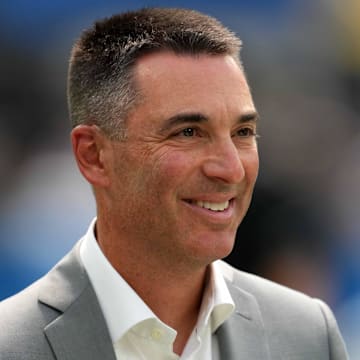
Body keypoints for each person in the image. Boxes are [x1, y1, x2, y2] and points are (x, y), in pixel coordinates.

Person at [0, 7, 348, 360]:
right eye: (188, 132)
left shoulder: (309, 335)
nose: (232, 169)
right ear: (94, 155)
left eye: (243, 132)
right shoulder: (11, 344)